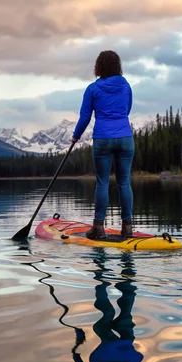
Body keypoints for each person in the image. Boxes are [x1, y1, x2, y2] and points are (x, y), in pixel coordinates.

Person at [71, 50, 134, 240]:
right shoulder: (126, 86)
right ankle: (127, 228)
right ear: (118, 66)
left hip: (103, 139)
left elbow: (85, 117)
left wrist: (75, 137)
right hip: (125, 137)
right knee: (124, 182)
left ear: (98, 67)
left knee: (102, 183)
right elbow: (127, 109)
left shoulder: (93, 88)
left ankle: (98, 228)